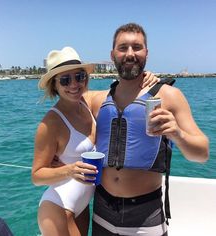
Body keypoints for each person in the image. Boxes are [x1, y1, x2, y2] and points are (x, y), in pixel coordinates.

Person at [89, 23, 209, 236]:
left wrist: (177, 134)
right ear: (112, 54)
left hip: (146, 216)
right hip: (102, 210)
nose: (130, 53)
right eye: (123, 47)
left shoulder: (169, 95)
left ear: (146, 52)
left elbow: (202, 154)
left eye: (137, 47)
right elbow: (65, 102)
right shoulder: (98, 100)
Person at [31, 46, 159, 236]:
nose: (74, 84)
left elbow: (123, 91)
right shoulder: (50, 123)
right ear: (54, 85)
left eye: (79, 76)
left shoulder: (87, 102)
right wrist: (69, 170)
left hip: (82, 206)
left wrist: (144, 78)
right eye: (65, 80)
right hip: (57, 208)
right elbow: (36, 175)